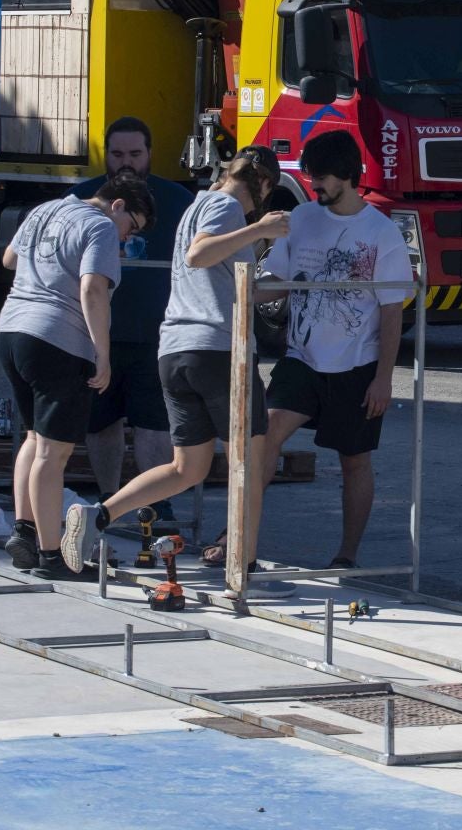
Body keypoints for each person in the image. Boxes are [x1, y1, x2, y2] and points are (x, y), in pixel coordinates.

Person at [59, 151, 291, 587]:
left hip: (178, 350)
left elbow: (228, 282)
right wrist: (261, 229)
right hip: (218, 349)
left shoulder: (198, 206)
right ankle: (244, 561)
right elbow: (199, 255)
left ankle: (99, 514)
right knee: (251, 459)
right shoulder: (226, 207)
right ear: (260, 182)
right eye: (266, 193)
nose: (263, 203)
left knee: (189, 468)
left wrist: (287, 285)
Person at [253, 130, 411, 570]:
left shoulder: (382, 234)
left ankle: (346, 555)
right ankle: (238, 535)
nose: (313, 185)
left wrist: (383, 377)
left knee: (354, 462)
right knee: (263, 436)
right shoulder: (300, 218)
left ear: (347, 175)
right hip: (301, 359)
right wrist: (241, 293)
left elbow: (392, 312)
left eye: (320, 177)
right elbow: (275, 283)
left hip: (356, 366)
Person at [0, 171, 154, 579]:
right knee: (55, 452)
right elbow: (92, 290)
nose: (125, 239)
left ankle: (24, 531)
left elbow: (8, 260)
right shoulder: (100, 224)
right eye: (130, 227)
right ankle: (52, 557)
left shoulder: (45, 209)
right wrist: (103, 354)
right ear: (117, 204)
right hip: (57, 340)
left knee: (34, 437)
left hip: (12, 331)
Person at [70, 117, 193, 524]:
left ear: (150, 154)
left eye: (135, 154)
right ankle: (109, 500)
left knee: (154, 423)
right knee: (100, 423)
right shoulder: (82, 199)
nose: (126, 163)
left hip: (155, 335)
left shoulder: (177, 200)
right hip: (95, 335)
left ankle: (155, 504)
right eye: (118, 154)